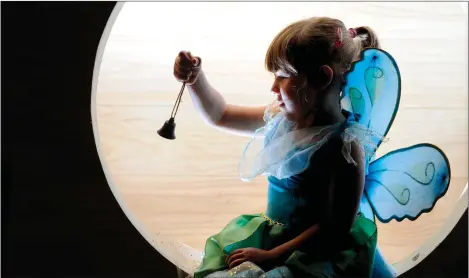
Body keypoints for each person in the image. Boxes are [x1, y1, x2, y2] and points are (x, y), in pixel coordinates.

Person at [173, 16, 381, 278]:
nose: (273, 87)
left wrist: (272, 256)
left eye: (282, 76)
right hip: (274, 236)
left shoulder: (344, 147)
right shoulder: (279, 118)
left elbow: (335, 228)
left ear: (321, 78)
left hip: (310, 253)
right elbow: (221, 114)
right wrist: (196, 80)